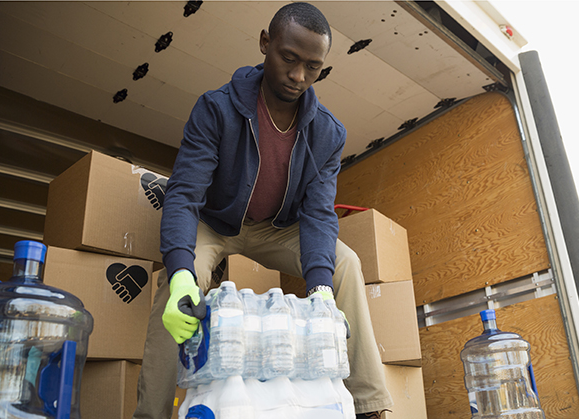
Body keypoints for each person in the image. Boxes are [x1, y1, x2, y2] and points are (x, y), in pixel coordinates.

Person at [132, 3, 393, 419]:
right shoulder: (216, 108)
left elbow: (319, 213)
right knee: (182, 282)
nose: (298, 76)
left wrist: (321, 289)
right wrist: (180, 270)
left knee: (345, 264)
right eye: (289, 58)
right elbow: (183, 195)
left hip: (276, 229)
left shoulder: (328, 133)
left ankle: (367, 407)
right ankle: (152, 414)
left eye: (313, 67)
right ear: (265, 43)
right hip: (216, 223)